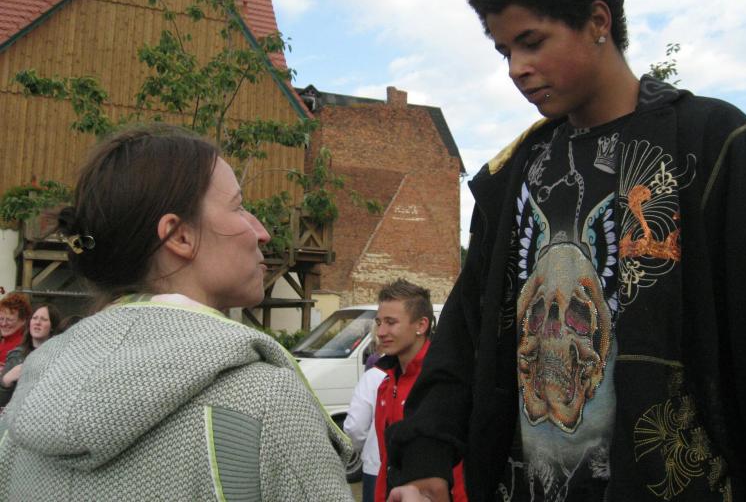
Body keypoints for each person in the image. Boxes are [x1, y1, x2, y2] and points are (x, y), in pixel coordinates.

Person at [385, 0, 746, 502]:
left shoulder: (713, 147)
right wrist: (426, 458)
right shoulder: (515, 175)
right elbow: (466, 331)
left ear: (598, 21)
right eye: (505, 51)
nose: (516, 68)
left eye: (532, 42)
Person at [0, 124, 353, 501]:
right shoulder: (266, 401)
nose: (262, 231)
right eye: (238, 206)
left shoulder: (29, 400)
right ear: (180, 236)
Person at [374, 279, 467, 502]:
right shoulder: (386, 385)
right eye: (379, 322)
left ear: (421, 325)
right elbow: (386, 461)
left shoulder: (445, 384)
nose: (381, 331)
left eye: (391, 322)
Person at [0, 303, 61, 406]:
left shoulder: (58, 357)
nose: (37, 322)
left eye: (44, 319)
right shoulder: (17, 355)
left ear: (52, 326)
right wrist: (6, 380)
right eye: (35, 318)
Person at [344, 348, 385, 502]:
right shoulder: (434, 370)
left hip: (376, 466)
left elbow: (355, 428)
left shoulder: (373, 376)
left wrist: (363, 447)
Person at [0, 292, 32, 367]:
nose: (3, 324)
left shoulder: (21, 347)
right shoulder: (4, 340)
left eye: (9, 320)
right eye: (1, 319)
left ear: (23, 320)